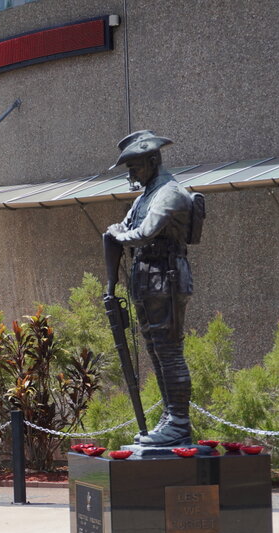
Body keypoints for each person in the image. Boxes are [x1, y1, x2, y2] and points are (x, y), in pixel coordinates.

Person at [104, 130, 194, 448]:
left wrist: (117, 233)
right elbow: (123, 228)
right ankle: (171, 419)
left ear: (153, 160)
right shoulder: (144, 197)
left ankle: (180, 423)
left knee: (169, 353)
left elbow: (141, 233)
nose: (131, 175)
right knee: (157, 352)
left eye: (135, 167)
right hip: (147, 279)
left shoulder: (169, 193)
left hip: (166, 278)